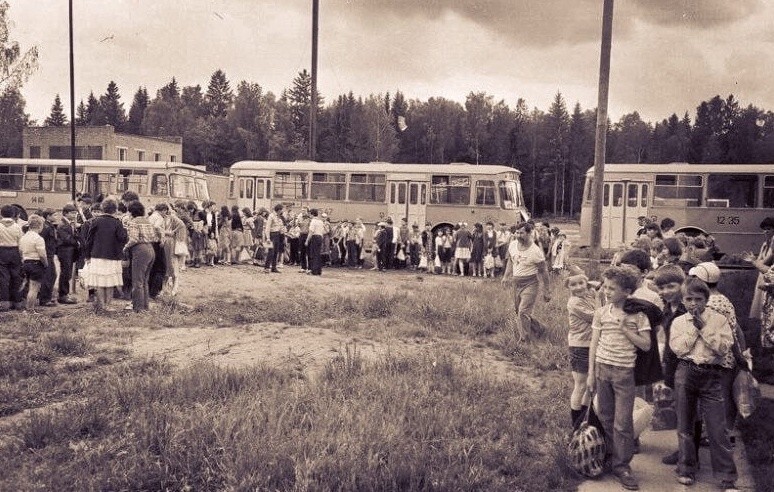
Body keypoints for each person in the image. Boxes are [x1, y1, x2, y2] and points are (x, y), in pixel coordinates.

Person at [587, 265, 652, 491]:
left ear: (627, 291)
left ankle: (622, 466)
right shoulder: (601, 313)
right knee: (605, 417)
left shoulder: (638, 315)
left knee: (622, 423)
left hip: (624, 372)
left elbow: (646, 345)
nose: (606, 291)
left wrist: (626, 330)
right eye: (605, 286)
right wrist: (590, 375)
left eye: (612, 288)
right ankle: (611, 458)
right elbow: (593, 344)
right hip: (602, 370)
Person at [670, 277, 738, 490]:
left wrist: (705, 329)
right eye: (689, 299)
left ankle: (727, 476)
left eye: (698, 299)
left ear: (706, 299)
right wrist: (694, 330)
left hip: (711, 374)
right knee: (685, 424)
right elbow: (679, 349)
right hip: (686, 371)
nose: (693, 304)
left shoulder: (719, 320)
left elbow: (722, 348)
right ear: (683, 300)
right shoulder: (679, 322)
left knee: (718, 427)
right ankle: (686, 468)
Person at [501, 221, 551, 340]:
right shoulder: (513, 245)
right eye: (517, 233)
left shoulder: (535, 251)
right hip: (516, 283)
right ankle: (540, 329)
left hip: (530, 283)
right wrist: (505, 276)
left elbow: (544, 271)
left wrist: (547, 290)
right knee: (518, 311)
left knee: (523, 312)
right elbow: (511, 261)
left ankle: (524, 340)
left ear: (529, 233)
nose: (518, 235)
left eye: (521, 233)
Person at [566, 272, 599, 429]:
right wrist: (597, 296)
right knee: (580, 385)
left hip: (590, 345)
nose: (578, 287)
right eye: (573, 284)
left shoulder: (588, 296)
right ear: (568, 286)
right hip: (580, 345)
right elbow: (597, 317)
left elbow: (595, 287)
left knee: (589, 386)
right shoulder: (574, 303)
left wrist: (593, 288)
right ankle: (575, 425)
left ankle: (582, 421)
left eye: (581, 283)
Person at [84, 199, 127, 312]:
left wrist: (87, 255)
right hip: (113, 256)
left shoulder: (95, 221)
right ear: (115, 210)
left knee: (99, 281)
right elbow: (123, 238)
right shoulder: (117, 222)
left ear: (103, 208)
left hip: (97, 255)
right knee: (110, 282)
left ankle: (101, 304)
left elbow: (89, 240)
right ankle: (108, 305)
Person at [123, 200, 159, 312]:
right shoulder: (147, 221)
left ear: (131, 212)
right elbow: (155, 237)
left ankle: (138, 308)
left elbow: (134, 239)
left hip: (140, 250)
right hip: (151, 249)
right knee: (144, 280)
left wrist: (125, 247)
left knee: (137, 281)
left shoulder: (134, 222)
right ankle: (145, 306)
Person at [745, 217, 774, 344]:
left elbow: (765, 261)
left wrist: (754, 261)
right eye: (764, 230)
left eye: (769, 229)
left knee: (768, 305)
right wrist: (755, 261)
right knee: (763, 305)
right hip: (764, 275)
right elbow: (761, 261)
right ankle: (765, 337)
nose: (765, 232)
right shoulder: (765, 244)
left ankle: (768, 339)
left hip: (770, 277)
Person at [18, 214, 49, 311]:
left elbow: (20, 251)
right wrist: (46, 264)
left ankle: (25, 306)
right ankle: (30, 309)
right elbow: (42, 255)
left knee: (27, 287)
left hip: (26, 263)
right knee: (34, 288)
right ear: (40, 226)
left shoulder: (23, 237)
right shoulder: (38, 238)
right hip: (36, 264)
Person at [0, 205, 23, 311]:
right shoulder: (17, 227)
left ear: (1, 214)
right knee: (16, 277)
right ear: (13, 214)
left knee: (3, 278)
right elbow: (20, 242)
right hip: (15, 251)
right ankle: (17, 302)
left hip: (2, 251)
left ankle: (4, 303)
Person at [56, 204, 80, 304]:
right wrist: (77, 242)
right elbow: (67, 239)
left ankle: (65, 293)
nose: (75, 215)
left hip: (68, 251)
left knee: (67, 273)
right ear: (66, 213)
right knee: (65, 273)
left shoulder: (68, 223)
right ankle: (63, 295)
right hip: (65, 251)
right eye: (72, 213)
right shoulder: (63, 225)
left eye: (75, 213)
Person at [264, 204, 284, 273]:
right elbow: (268, 227)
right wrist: (268, 238)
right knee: (270, 252)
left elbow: (279, 226)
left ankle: (273, 267)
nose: (282, 211)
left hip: (277, 234)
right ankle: (266, 267)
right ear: (279, 210)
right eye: (281, 209)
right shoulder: (271, 216)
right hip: (272, 235)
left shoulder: (279, 217)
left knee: (276, 252)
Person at [305, 208, 325, 275]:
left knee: (313, 254)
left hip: (315, 237)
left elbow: (311, 232)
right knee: (318, 254)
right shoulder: (321, 221)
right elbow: (322, 231)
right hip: (320, 237)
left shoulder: (313, 221)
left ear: (312, 214)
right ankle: (319, 270)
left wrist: (307, 240)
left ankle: (314, 271)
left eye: (310, 214)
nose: (309, 215)